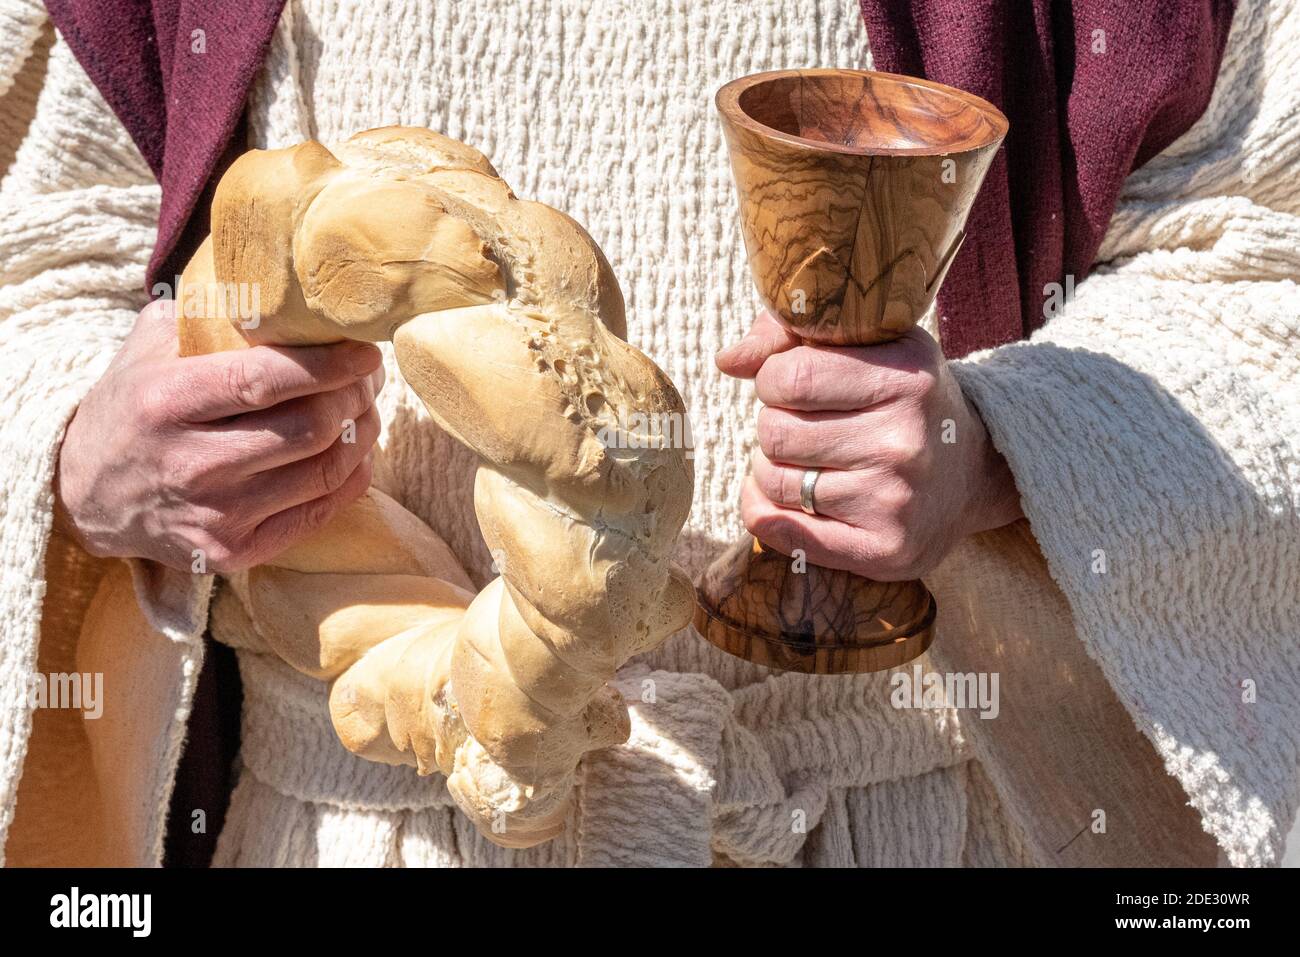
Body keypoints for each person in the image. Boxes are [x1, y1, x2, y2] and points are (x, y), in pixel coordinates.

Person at [0, 0, 1295, 867]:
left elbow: (1260, 251)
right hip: (350, 822)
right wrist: (80, 442)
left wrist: (1005, 446)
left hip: (886, 818)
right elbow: (43, 246)